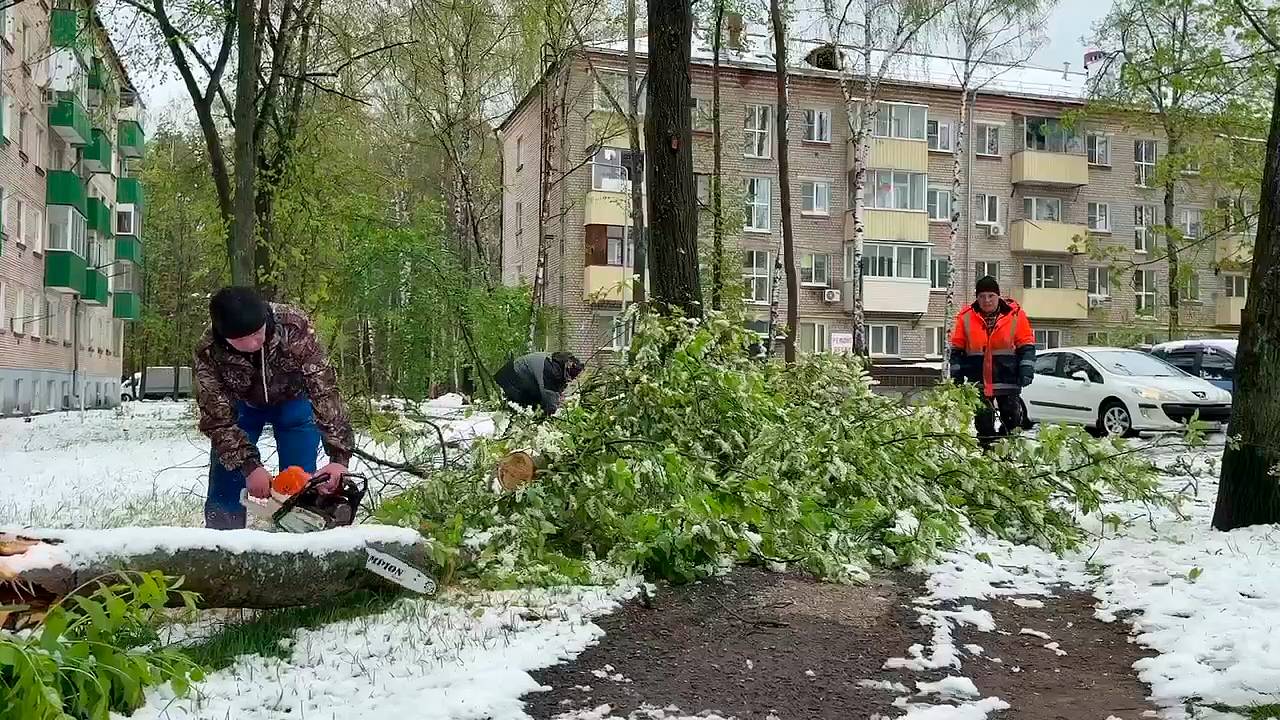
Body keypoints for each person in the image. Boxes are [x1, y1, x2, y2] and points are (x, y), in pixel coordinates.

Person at [195, 286, 355, 529]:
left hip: (294, 402)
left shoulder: (293, 326)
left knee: (300, 481)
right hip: (242, 408)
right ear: (222, 336)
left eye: (257, 334)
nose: (252, 343)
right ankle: (222, 542)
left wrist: (339, 458)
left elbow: (324, 390)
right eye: (240, 340)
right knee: (228, 473)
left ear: (266, 319)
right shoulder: (208, 351)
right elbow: (217, 418)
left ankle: (297, 539)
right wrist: (249, 467)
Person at [949, 276, 1036, 447]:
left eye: (990, 296)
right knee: (983, 424)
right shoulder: (965, 317)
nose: (986, 300)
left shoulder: (1015, 315)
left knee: (1011, 421)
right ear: (977, 298)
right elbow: (956, 350)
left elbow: (1026, 345)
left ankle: (1008, 454)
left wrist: (1026, 369)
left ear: (998, 296)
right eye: (982, 296)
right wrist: (956, 375)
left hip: (1006, 378)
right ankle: (988, 456)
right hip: (978, 381)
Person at [493, 351, 584, 416]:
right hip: (511, 380)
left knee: (540, 403)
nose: (572, 380)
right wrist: (557, 410)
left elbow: (557, 388)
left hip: (515, 377)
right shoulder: (551, 370)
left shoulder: (556, 364)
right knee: (535, 408)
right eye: (572, 377)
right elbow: (549, 396)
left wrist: (559, 397)